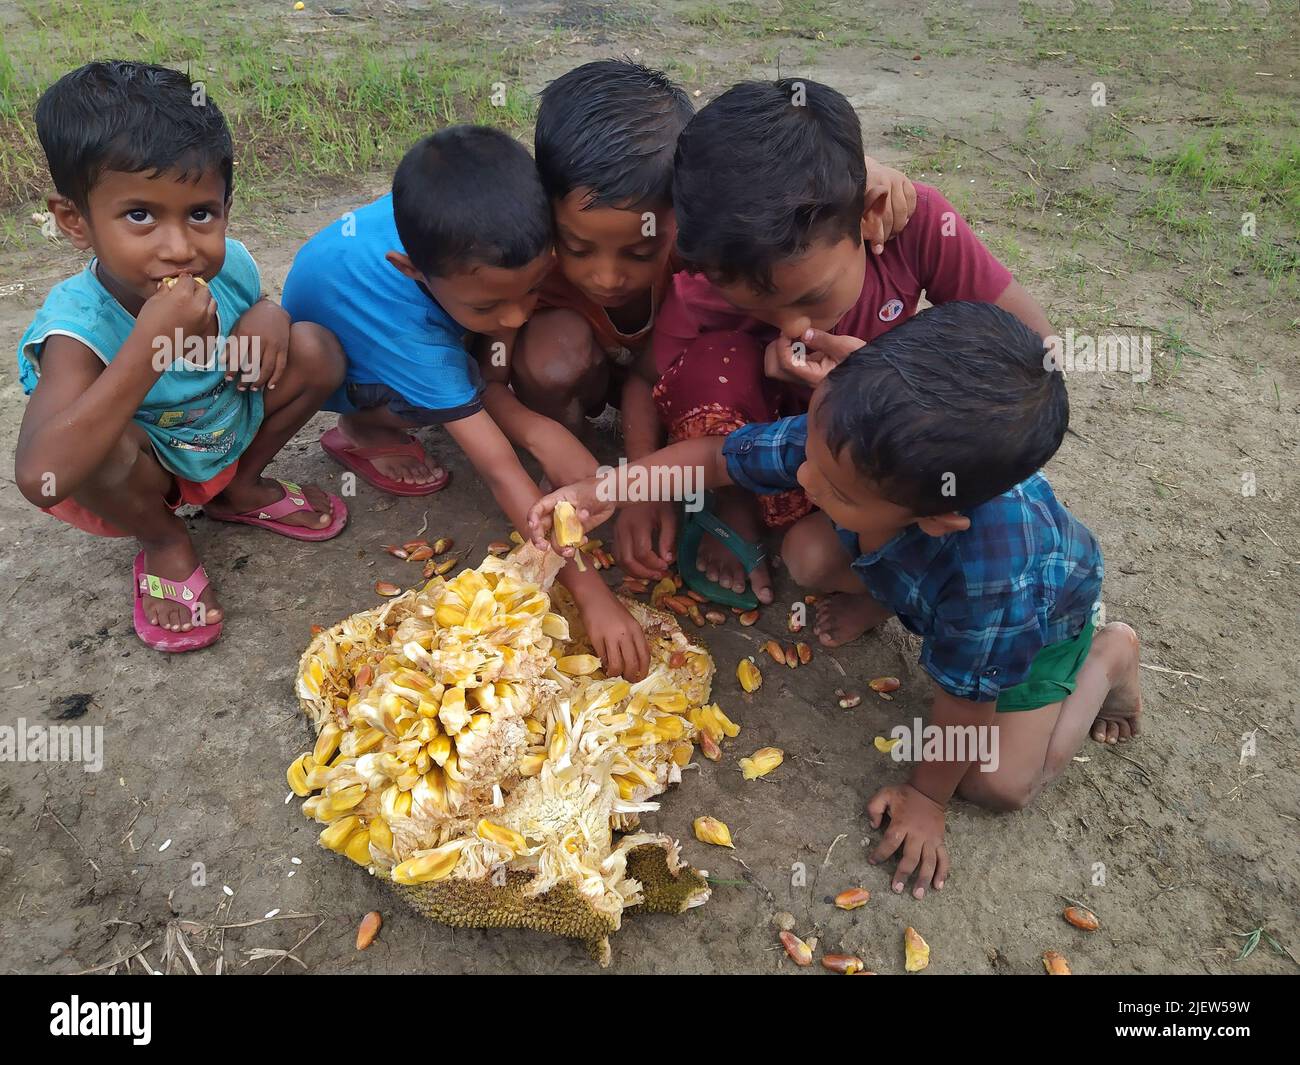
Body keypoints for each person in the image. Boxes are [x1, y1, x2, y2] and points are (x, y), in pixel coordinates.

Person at [528, 302, 1142, 898]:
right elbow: (720, 458)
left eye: (834, 487)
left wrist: (927, 798)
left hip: (1036, 632)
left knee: (996, 784)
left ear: (936, 517)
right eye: (812, 457)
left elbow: (966, 706)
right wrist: (609, 485)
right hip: (922, 561)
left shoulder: (999, 581)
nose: (804, 479)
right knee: (809, 554)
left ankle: (1108, 659)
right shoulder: (855, 434)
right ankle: (888, 592)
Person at [14, 61, 347, 652]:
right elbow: (43, 477)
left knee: (316, 350)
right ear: (74, 221)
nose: (179, 248)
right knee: (96, 452)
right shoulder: (76, 328)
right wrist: (147, 345)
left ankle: (240, 489)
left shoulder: (230, 264)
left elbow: (264, 303)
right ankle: (164, 541)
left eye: (201, 213)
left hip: (220, 431)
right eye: (139, 215)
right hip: (144, 471)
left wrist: (269, 316)